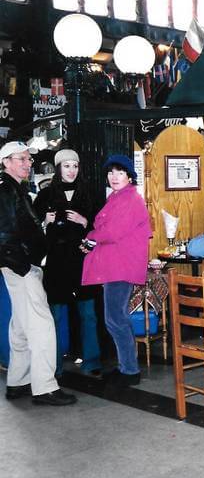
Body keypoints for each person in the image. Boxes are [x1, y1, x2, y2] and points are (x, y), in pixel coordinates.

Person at [0, 141, 76, 405]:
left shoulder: (12, 189)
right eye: (20, 159)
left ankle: (18, 381)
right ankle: (45, 387)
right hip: (20, 267)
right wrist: (24, 267)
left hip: (17, 266)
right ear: (6, 162)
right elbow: (3, 234)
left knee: (20, 326)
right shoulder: (6, 190)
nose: (27, 163)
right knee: (42, 325)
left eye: (27, 159)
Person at [81, 154, 152, 387]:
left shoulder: (130, 199)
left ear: (130, 176)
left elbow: (112, 231)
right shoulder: (119, 197)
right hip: (116, 266)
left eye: (120, 172)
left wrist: (90, 238)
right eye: (111, 172)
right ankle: (126, 366)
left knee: (115, 319)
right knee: (115, 318)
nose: (114, 177)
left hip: (121, 267)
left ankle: (130, 370)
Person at [32, 149, 101, 376]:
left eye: (75, 166)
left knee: (88, 313)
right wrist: (44, 222)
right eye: (66, 166)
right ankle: (55, 365)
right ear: (58, 168)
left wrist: (85, 222)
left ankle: (92, 361)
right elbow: (31, 232)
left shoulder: (89, 193)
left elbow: (102, 228)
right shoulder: (45, 195)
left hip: (84, 259)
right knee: (56, 315)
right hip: (57, 262)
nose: (71, 170)